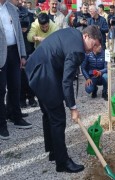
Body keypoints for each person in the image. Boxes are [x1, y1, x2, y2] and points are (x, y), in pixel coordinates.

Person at [25, 25, 102, 173]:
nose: (93, 49)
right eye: (94, 44)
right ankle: (62, 162)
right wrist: (72, 108)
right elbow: (66, 81)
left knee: (49, 114)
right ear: (86, 36)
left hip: (35, 67)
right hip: (44, 74)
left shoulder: (74, 33)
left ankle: (53, 152)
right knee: (58, 118)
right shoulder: (78, 51)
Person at [0, 0, 32, 140]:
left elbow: (19, 33)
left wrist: (23, 54)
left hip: (14, 53)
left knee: (15, 87)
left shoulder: (11, 8)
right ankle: (1, 125)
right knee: (0, 91)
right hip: (1, 55)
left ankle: (16, 117)